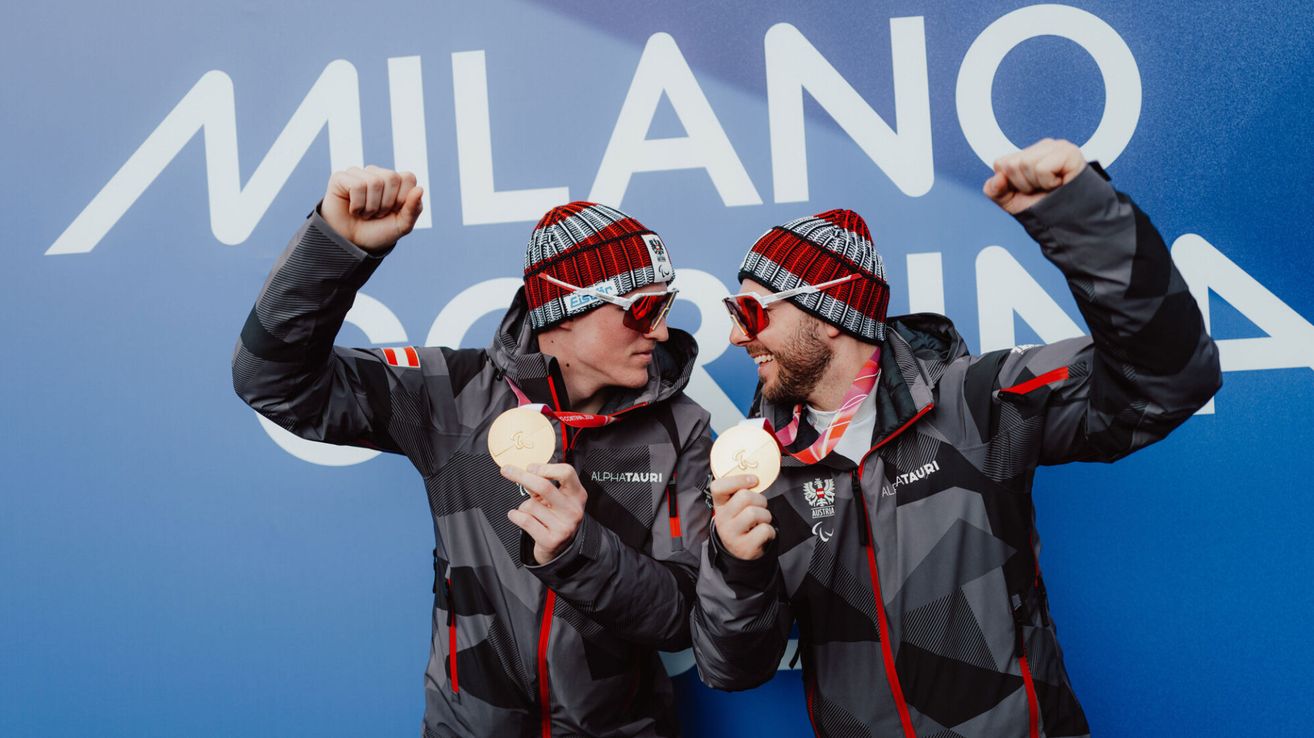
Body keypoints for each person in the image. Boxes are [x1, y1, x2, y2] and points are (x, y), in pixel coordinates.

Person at [691, 139, 1221, 737]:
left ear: (828, 314)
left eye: (751, 311)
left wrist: (1082, 218)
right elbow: (730, 669)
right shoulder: (761, 465)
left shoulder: (977, 402)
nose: (737, 337)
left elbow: (1171, 377)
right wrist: (736, 567)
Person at [232, 166, 712, 737]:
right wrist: (334, 251)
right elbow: (271, 381)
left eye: (666, 306)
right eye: (641, 309)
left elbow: (688, 617)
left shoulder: (680, 428)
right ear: (565, 308)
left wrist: (578, 550)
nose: (659, 332)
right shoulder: (451, 396)